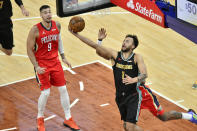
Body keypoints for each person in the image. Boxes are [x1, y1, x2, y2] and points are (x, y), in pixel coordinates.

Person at [69, 28, 197, 131]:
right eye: (124, 40)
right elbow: (95, 47)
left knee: (162, 117)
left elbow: (144, 75)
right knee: (127, 127)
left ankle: (190, 116)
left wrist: (134, 79)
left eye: (128, 41)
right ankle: (190, 115)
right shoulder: (115, 56)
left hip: (139, 94)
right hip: (121, 96)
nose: (124, 42)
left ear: (133, 46)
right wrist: (79, 35)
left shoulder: (137, 57)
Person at [27, 5, 80, 131]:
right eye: (45, 13)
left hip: (55, 62)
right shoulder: (35, 30)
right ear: (41, 15)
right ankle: (40, 119)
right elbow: (29, 50)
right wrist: (36, 66)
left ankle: (68, 118)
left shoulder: (57, 25)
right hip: (42, 64)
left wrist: (63, 57)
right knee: (46, 92)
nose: (48, 14)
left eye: (49, 12)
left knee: (63, 89)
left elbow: (59, 39)